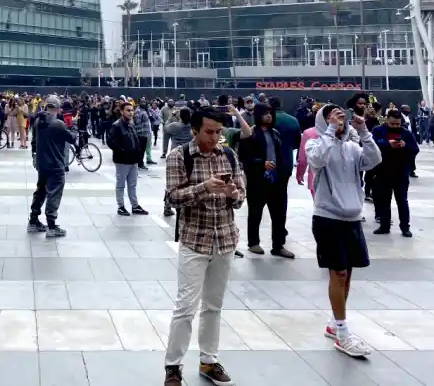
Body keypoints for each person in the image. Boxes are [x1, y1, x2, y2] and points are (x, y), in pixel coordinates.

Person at [163, 108, 245, 386]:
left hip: (224, 240)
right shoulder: (179, 157)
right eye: (209, 132)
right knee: (185, 306)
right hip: (194, 241)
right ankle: (173, 367)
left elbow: (241, 195)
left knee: (214, 306)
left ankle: (208, 361)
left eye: (219, 132)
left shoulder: (229, 155)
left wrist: (234, 194)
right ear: (194, 130)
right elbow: (172, 198)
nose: (215, 137)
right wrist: (203, 188)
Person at [305, 103, 382, 358]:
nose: (338, 120)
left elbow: (373, 161)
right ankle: (343, 332)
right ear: (322, 121)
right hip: (327, 216)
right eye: (330, 117)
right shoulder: (315, 144)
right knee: (337, 273)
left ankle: (337, 323)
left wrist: (364, 132)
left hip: (352, 217)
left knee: (346, 275)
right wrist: (329, 130)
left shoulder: (352, 147)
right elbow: (317, 160)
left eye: (340, 116)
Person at [239, 103, 294, 259]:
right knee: (255, 213)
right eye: (265, 113)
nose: (268, 116)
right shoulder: (251, 133)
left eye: (270, 113)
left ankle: (278, 245)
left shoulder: (275, 133)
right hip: (258, 181)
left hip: (277, 181)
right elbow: (244, 157)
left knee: (279, 214)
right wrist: (261, 163)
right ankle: (253, 242)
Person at [29, 95, 75, 238]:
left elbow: (34, 142)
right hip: (55, 164)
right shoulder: (58, 124)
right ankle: (52, 226)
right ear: (57, 108)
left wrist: (35, 158)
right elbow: (72, 138)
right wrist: (74, 126)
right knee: (54, 194)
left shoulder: (38, 121)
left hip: (42, 164)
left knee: (40, 191)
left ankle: (33, 220)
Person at [371, 109, 418, 237]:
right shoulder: (378, 131)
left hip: (401, 172)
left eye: (398, 124)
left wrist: (405, 145)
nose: (396, 126)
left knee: (402, 201)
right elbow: (372, 145)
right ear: (387, 120)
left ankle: (405, 227)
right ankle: (384, 225)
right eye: (393, 124)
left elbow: (415, 149)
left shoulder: (406, 133)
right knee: (384, 200)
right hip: (383, 171)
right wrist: (387, 144)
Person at [106, 101, 148, 217]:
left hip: (133, 159)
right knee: (121, 184)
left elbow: (135, 139)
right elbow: (110, 141)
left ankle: (135, 206)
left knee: (132, 184)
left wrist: (138, 153)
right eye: (128, 110)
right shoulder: (117, 125)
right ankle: (121, 206)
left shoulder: (131, 124)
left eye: (132, 110)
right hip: (122, 160)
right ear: (121, 111)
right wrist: (122, 150)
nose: (130, 112)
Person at [135, 100, 153, 168]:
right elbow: (137, 121)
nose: (144, 103)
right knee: (141, 150)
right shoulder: (138, 111)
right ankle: (140, 163)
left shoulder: (145, 111)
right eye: (142, 102)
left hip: (145, 134)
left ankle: (140, 163)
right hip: (140, 134)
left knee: (143, 149)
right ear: (139, 103)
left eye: (145, 102)